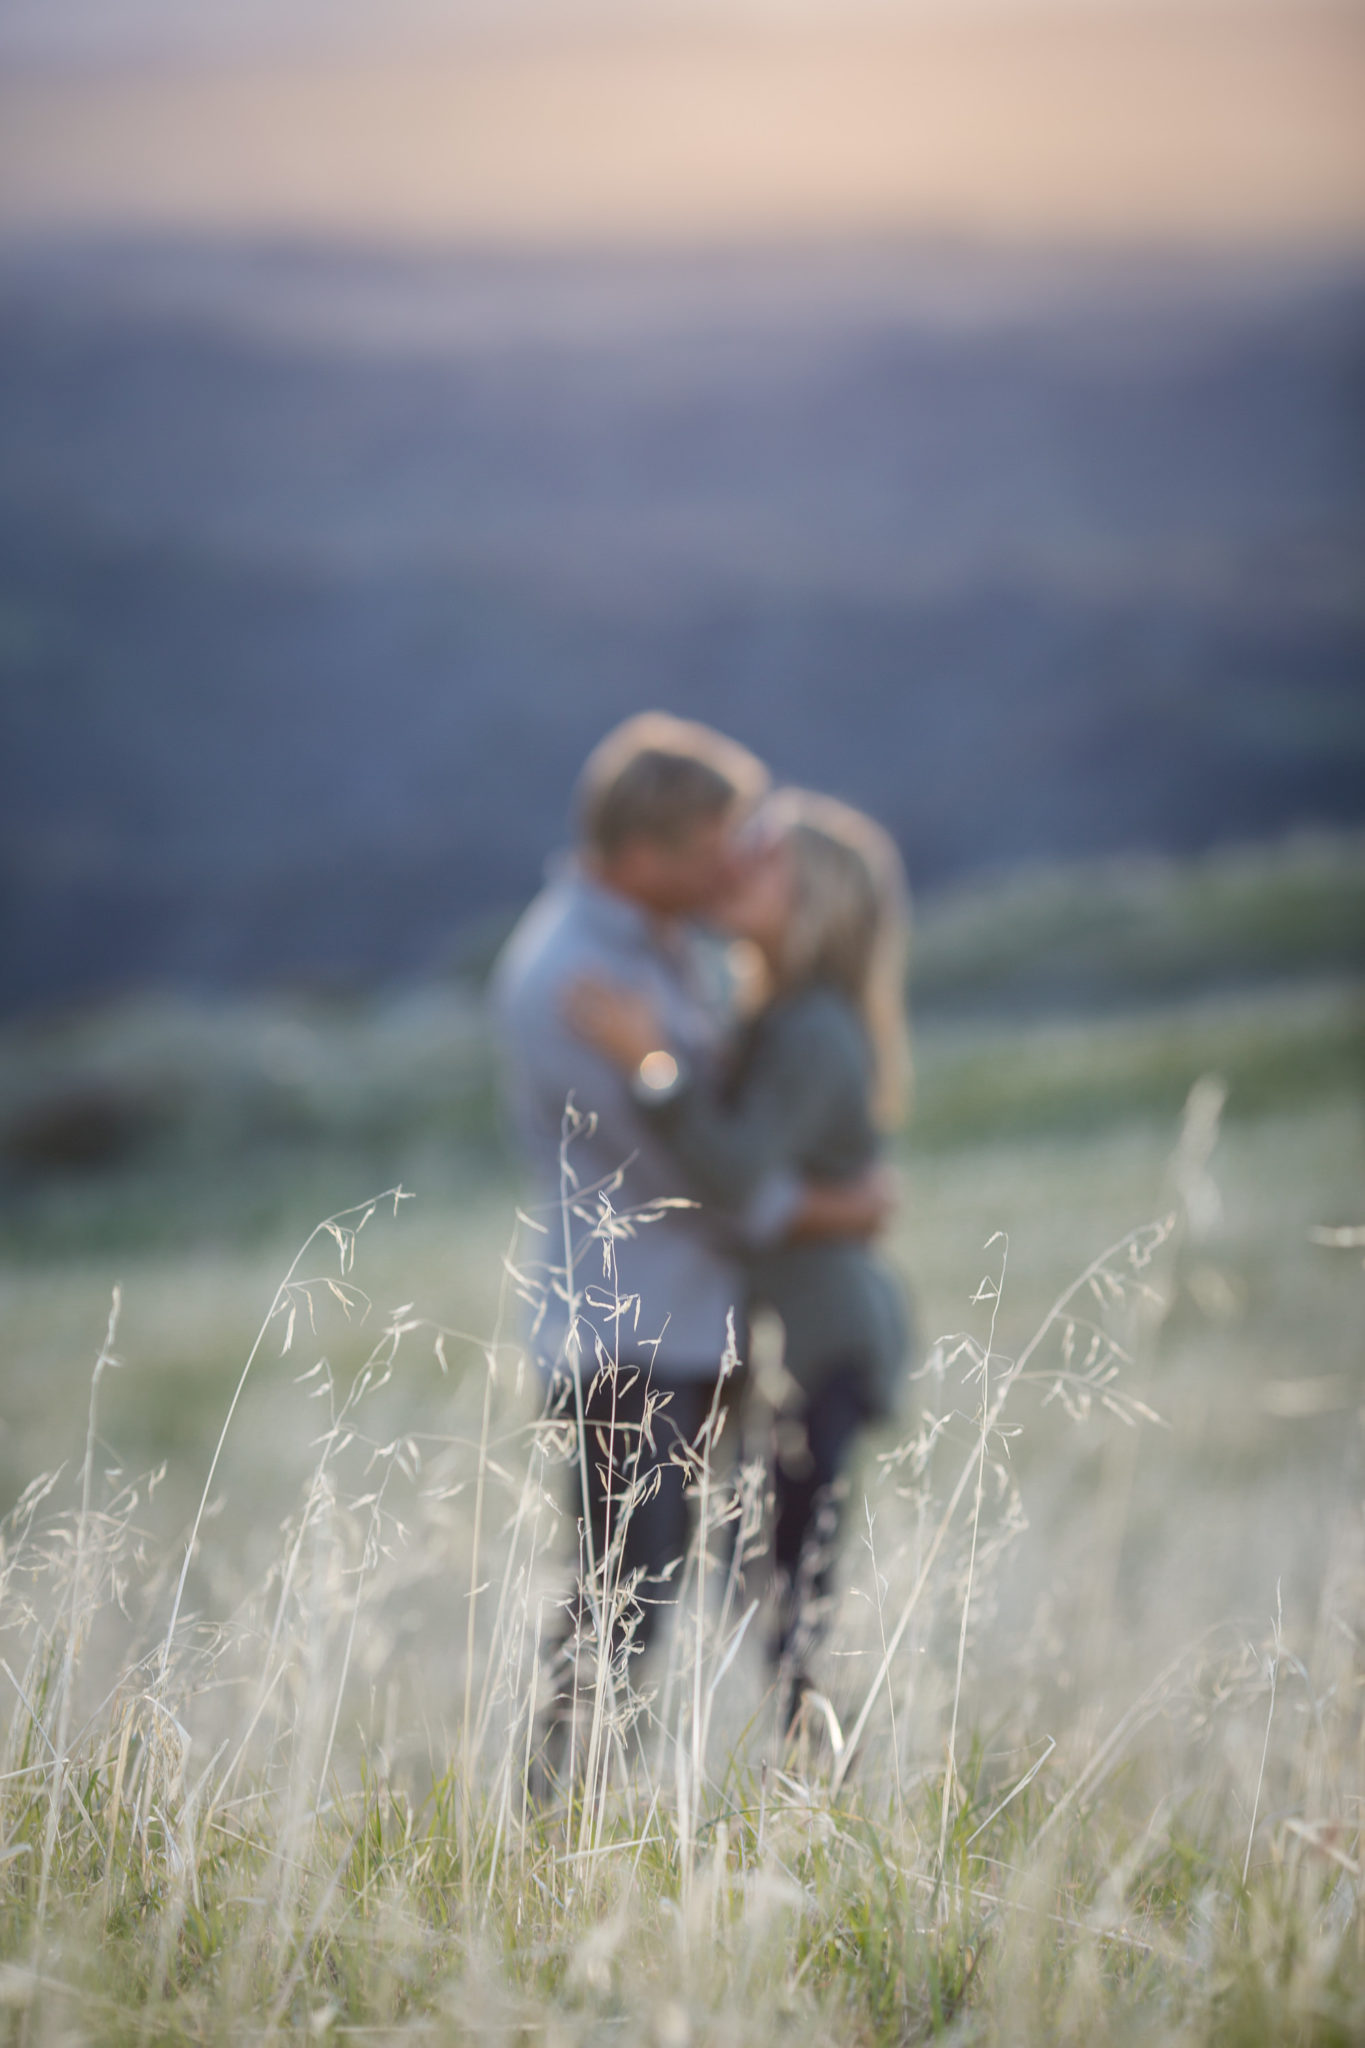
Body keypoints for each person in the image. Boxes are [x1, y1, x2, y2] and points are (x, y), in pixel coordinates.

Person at [490, 716, 891, 1698]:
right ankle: (561, 1828)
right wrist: (839, 1209)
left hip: (704, 1334)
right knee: (622, 1605)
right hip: (630, 1339)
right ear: (641, 855)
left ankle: (799, 1800)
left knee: (767, 1592)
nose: (733, 869)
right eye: (719, 852)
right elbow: (708, 1183)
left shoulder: (672, 946)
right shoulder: (572, 983)